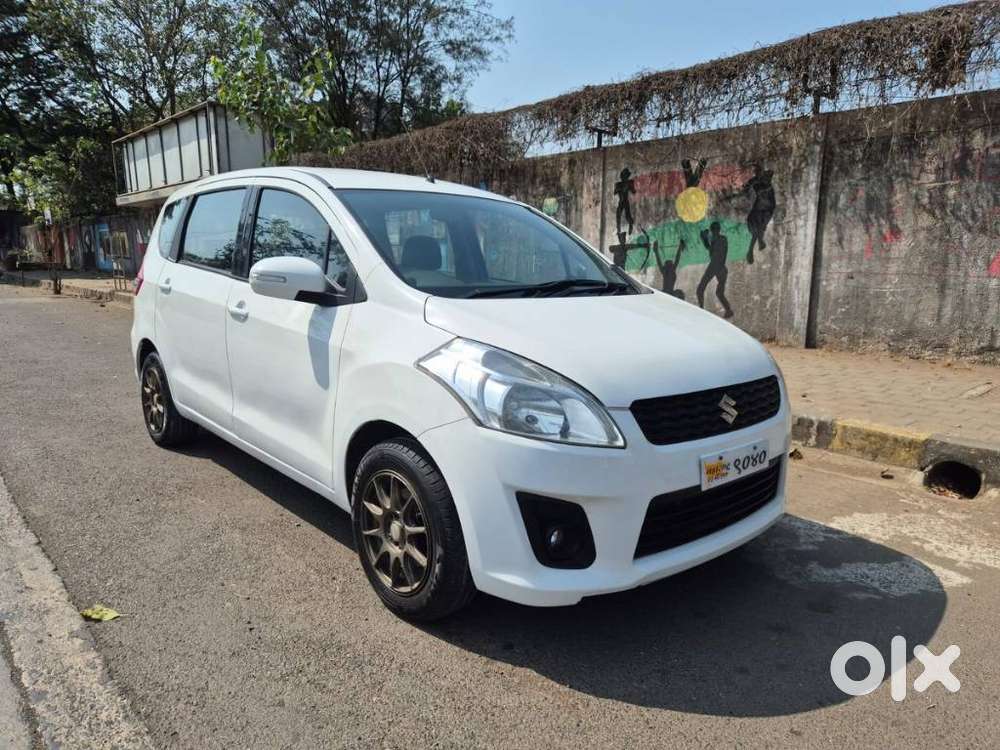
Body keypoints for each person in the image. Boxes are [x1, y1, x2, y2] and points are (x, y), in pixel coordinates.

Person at [697, 222, 734, 318]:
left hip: (715, 266)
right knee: (719, 293)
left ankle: (701, 310)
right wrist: (705, 238)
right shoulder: (718, 240)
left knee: (700, 289)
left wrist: (705, 237)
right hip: (721, 268)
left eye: (713, 231)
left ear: (715, 231)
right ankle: (728, 310)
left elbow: (713, 247)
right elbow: (710, 248)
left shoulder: (720, 239)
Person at [743, 164, 775, 264]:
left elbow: (766, 188)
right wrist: (748, 188)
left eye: (759, 171)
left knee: (759, 227)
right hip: (761, 208)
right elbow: (747, 188)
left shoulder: (764, 181)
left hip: (766, 207)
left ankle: (755, 245)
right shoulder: (756, 181)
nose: (758, 173)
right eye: (757, 171)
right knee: (758, 227)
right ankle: (757, 243)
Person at [613, 167, 636, 236]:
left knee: (627, 216)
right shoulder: (619, 184)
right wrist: (620, 188)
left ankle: (631, 225)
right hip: (621, 202)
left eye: (625, 176)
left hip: (625, 201)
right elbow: (615, 192)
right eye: (623, 176)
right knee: (618, 215)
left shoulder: (628, 183)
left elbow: (633, 191)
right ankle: (619, 230)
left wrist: (629, 186)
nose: (624, 178)